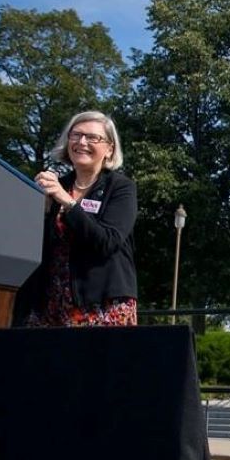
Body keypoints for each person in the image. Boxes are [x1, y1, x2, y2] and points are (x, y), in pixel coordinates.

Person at [14, 110, 138, 327]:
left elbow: (107, 241)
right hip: (51, 302)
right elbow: (34, 248)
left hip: (102, 304)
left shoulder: (120, 188)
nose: (82, 142)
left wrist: (69, 203)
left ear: (109, 149)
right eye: (76, 135)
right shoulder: (54, 187)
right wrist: (42, 212)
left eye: (93, 137)